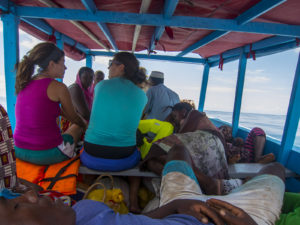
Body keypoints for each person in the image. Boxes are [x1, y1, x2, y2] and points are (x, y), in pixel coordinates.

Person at [0, 145, 286, 225]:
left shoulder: (82, 210)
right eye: (14, 207)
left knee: (177, 151)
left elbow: (132, 220)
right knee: (275, 170)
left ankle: (210, 183)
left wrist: (176, 205)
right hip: (235, 220)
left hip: (184, 207)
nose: (31, 195)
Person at [81, 52, 147, 213]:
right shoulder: (141, 95)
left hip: (91, 154)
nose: (109, 67)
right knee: (139, 154)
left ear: (121, 67)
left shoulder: (100, 86)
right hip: (124, 158)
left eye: (111, 63)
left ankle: (88, 194)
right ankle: (133, 203)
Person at [13, 42, 86, 165]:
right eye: (63, 63)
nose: (65, 68)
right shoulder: (59, 87)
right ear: (52, 64)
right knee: (77, 126)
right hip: (46, 154)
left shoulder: (24, 83)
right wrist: (84, 125)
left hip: (19, 149)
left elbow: (47, 110)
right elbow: (73, 117)